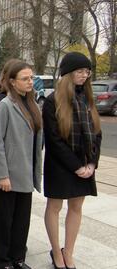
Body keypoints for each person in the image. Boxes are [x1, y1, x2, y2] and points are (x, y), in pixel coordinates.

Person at [43, 52, 102, 269]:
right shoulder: (52, 101)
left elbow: (97, 133)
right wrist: (76, 167)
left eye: (87, 72)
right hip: (60, 165)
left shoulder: (87, 99)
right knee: (55, 207)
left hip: (85, 163)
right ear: (67, 73)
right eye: (80, 71)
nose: (84, 75)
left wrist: (91, 164)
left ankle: (68, 252)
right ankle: (56, 253)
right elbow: (54, 140)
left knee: (76, 207)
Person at [0, 60, 43, 269]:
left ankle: (17, 258)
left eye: (31, 78)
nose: (30, 82)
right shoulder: (4, 106)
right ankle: (0, 261)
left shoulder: (33, 104)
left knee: (21, 221)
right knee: (4, 222)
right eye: (25, 79)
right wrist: (2, 175)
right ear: (12, 82)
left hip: (25, 174)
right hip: (9, 177)